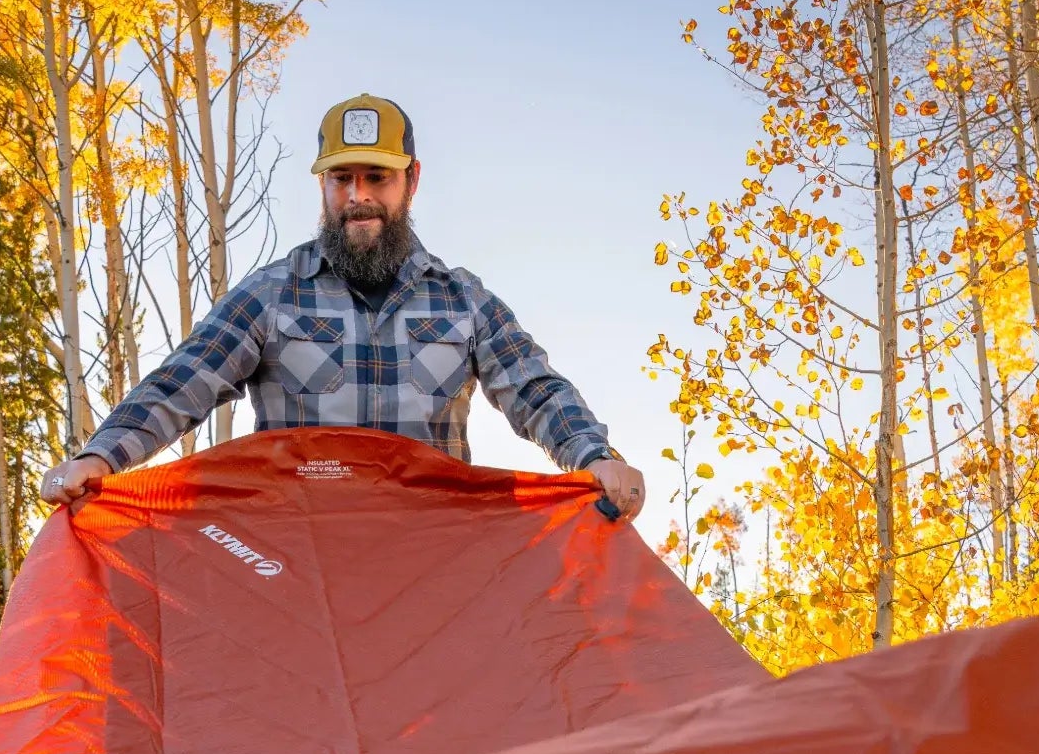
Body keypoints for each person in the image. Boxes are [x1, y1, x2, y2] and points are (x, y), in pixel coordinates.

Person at [40, 93, 645, 519]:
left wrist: (595, 457)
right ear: (322, 186)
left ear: (411, 180)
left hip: (434, 560)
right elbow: (180, 384)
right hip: (296, 563)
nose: (359, 197)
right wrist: (101, 456)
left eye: (377, 177)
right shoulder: (270, 296)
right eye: (342, 179)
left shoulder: (465, 301)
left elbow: (536, 390)